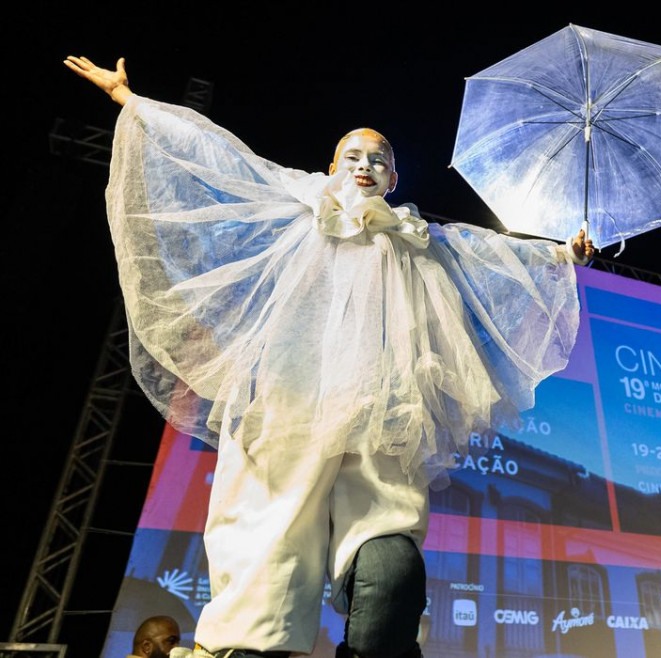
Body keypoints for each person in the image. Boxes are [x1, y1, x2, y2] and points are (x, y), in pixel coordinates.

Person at [64, 55, 593, 658]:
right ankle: (250, 645)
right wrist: (131, 101)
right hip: (290, 403)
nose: (365, 165)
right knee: (270, 541)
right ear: (332, 165)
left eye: (379, 159)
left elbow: (489, 255)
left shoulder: (418, 239)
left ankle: (374, 636)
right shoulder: (299, 200)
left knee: (388, 555)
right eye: (354, 156)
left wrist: (563, 254)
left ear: (394, 178)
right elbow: (221, 159)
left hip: (380, 414)